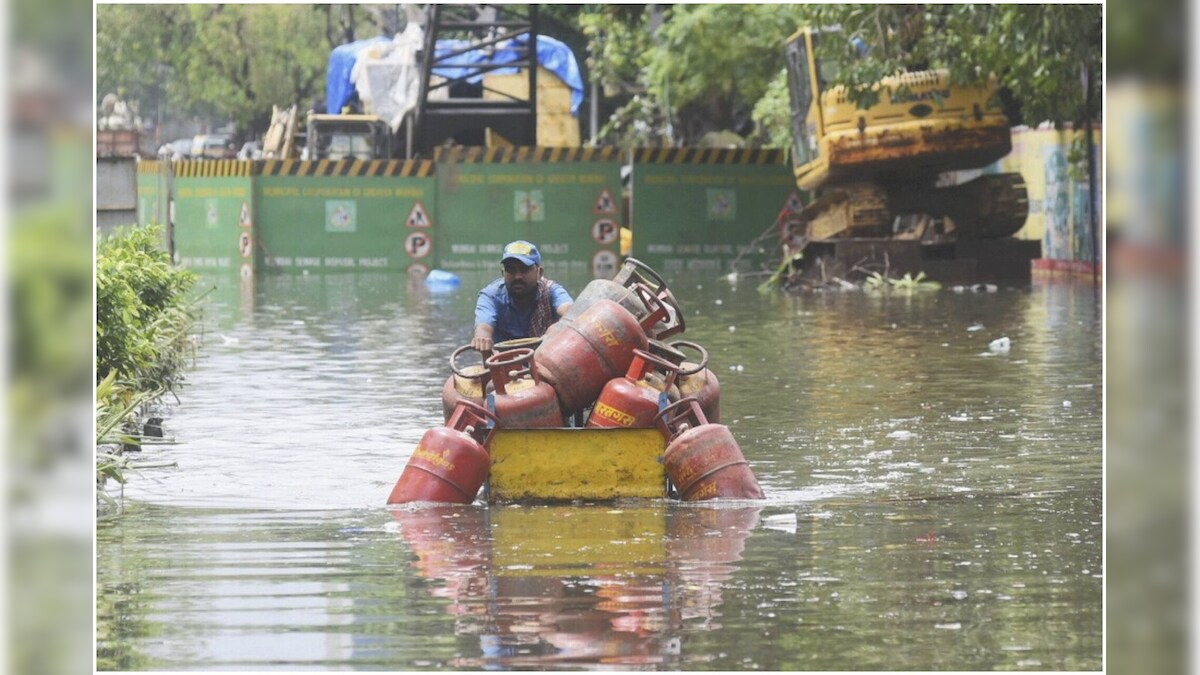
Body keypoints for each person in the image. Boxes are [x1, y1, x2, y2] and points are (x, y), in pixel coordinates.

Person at [471, 240, 573, 353]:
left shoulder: (551, 291)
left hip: (547, 360)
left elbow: (571, 311)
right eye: (511, 270)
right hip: (503, 363)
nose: (517, 276)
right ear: (502, 274)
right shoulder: (491, 296)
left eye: (524, 269)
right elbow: (483, 326)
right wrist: (482, 338)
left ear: (540, 273)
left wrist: (559, 326)